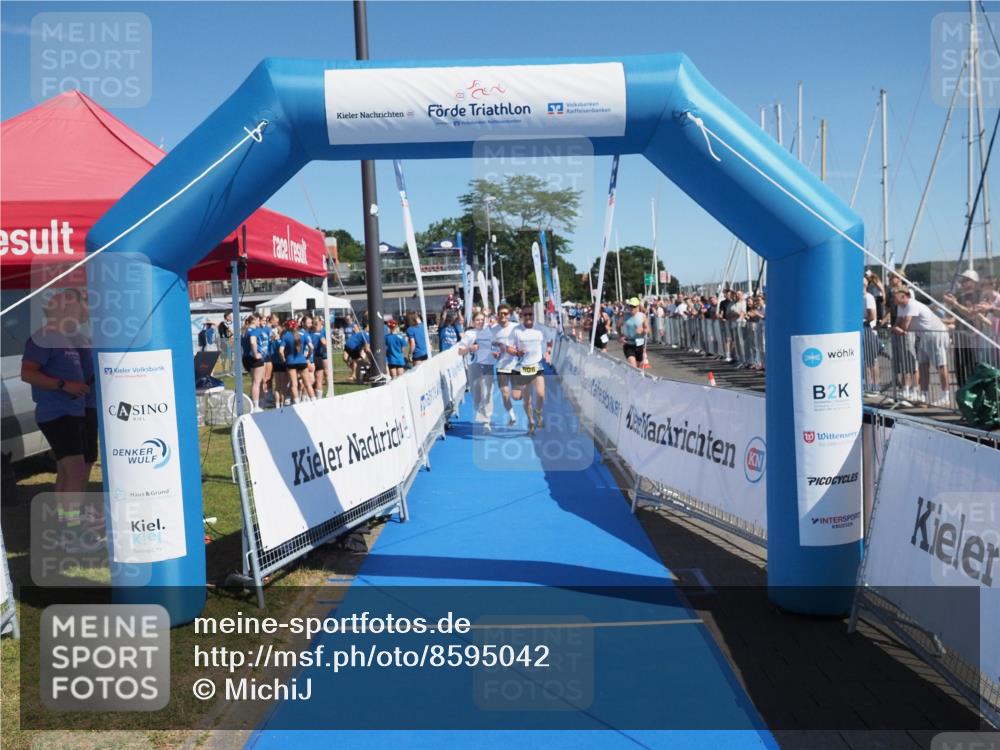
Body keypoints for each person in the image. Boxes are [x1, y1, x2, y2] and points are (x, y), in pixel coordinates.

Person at [20, 290, 95, 543]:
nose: (83, 308)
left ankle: (65, 524)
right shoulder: (44, 336)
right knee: (73, 469)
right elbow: (28, 373)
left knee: (69, 470)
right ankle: (70, 529)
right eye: (76, 303)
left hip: (73, 411)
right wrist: (64, 385)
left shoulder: (68, 338)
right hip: (57, 412)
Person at [893, 286, 952, 407]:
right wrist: (896, 328)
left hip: (936, 334)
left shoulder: (912, 305)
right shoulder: (900, 306)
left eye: (895, 295)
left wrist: (896, 328)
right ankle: (924, 396)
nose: (892, 297)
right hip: (922, 336)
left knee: (941, 365)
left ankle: (946, 397)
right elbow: (897, 324)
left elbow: (904, 327)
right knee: (923, 366)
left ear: (904, 296)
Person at [507, 306, 551, 435]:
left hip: (536, 366)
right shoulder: (516, 331)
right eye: (525, 315)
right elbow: (509, 348)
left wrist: (548, 351)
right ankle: (531, 422)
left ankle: (538, 413)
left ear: (534, 315)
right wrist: (517, 352)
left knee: (541, 394)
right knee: (523, 399)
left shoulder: (540, 329)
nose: (528, 317)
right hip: (522, 368)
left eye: (530, 314)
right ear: (521, 316)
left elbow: (549, 341)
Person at [458, 311, 496, 431]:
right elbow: (460, 351)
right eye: (477, 320)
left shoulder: (489, 332)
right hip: (474, 365)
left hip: (487, 365)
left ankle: (486, 421)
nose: (480, 322)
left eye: (482, 319)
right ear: (473, 322)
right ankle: (481, 411)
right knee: (476, 396)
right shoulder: (469, 334)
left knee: (488, 393)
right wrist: (470, 348)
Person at [491, 304, 520, 426]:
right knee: (504, 393)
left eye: (505, 313)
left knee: (516, 396)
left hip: (516, 365)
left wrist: (518, 350)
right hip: (501, 366)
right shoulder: (493, 330)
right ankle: (512, 417)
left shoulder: (516, 327)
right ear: (497, 315)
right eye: (501, 313)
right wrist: (495, 353)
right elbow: (491, 347)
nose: (503, 315)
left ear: (509, 315)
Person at [279, 319, 313, 403]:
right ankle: (314, 400)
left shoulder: (286, 335)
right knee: (308, 383)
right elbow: (311, 347)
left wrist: (283, 359)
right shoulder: (304, 334)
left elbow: (280, 351)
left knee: (294, 384)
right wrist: (308, 357)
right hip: (302, 361)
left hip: (290, 362)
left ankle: (297, 402)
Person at [242, 314, 268, 410]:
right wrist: (256, 353)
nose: (260, 322)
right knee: (257, 382)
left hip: (246, 358)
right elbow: (252, 341)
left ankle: (258, 403)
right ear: (255, 321)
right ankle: (256, 406)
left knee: (255, 382)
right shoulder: (255, 330)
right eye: (258, 320)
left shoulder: (244, 331)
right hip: (254, 358)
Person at [621, 297, 648, 368]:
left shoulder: (642, 316)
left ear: (637, 307)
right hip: (628, 344)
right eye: (630, 306)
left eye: (634, 306)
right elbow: (618, 326)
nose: (632, 308)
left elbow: (648, 330)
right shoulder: (624, 316)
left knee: (638, 367)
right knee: (633, 366)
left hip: (639, 345)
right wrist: (620, 336)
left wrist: (642, 330)